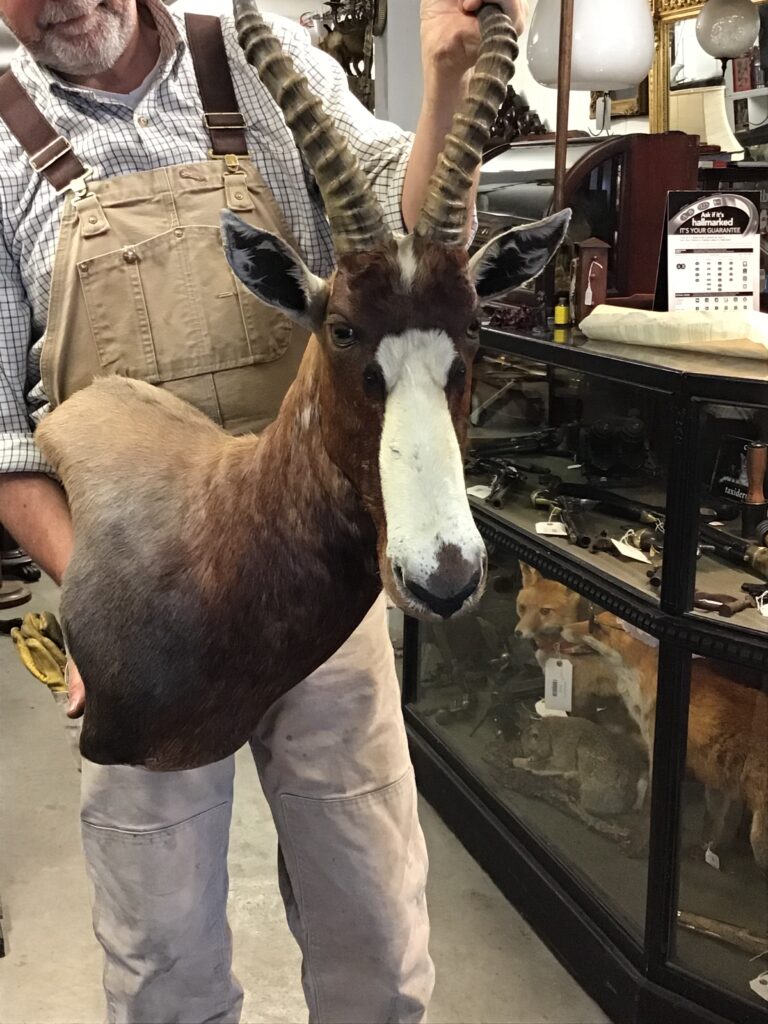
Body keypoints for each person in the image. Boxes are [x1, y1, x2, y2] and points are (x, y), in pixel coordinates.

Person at [0, 0, 526, 1021]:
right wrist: (107, 601)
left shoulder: (256, 58)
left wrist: (452, 77)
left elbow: (406, 249)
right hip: (156, 629)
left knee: (374, 932)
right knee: (163, 963)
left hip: (328, 590)